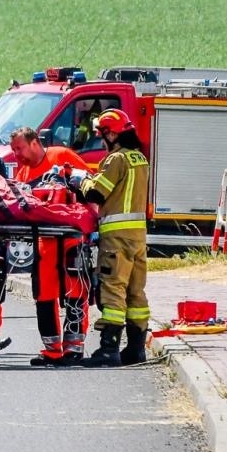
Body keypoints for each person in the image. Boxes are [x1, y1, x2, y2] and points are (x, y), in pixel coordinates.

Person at [72, 109, 151, 366]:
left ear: (112, 134)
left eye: (102, 134)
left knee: (113, 288)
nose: (101, 139)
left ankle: (109, 350)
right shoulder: (140, 158)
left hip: (116, 238)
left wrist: (80, 180)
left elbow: (96, 194)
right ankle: (136, 349)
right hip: (137, 237)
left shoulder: (116, 159)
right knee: (135, 292)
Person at [10, 126, 95, 367]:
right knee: (44, 295)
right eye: (14, 149)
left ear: (34, 143)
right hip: (44, 242)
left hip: (71, 237)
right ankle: (52, 350)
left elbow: (91, 185)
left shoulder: (61, 156)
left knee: (75, 290)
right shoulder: (23, 173)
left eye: (19, 148)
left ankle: (74, 348)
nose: (16, 154)